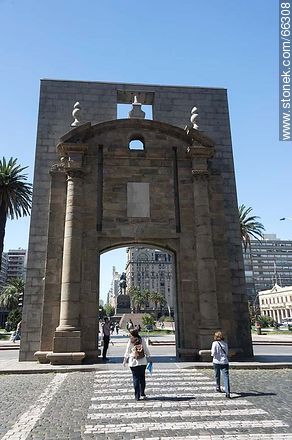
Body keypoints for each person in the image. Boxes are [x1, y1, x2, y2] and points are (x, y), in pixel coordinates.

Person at [123, 328, 151, 401]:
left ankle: (137, 396)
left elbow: (127, 352)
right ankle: (142, 393)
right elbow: (146, 350)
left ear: (132, 334)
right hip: (142, 362)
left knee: (135, 378)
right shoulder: (142, 340)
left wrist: (125, 360)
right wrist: (149, 357)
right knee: (142, 378)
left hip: (133, 362)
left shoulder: (130, 341)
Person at [211, 330, 231, 398]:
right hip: (225, 361)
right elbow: (227, 353)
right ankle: (227, 392)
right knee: (226, 377)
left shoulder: (214, 343)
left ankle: (218, 386)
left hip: (216, 361)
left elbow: (213, 353)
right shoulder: (225, 344)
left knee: (217, 375)